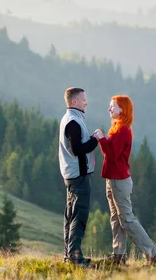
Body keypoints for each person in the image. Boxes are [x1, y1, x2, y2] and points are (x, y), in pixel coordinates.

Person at [93, 95, 156, 267]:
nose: (109, 109)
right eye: (110, 106)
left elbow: (112, 155)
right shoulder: (118, 128)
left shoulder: (123, 130)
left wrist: (101, 138)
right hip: (112, 179)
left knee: (126, 219)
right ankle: (118, 256)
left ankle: (153, 254)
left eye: (113, 106)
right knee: (116, 219)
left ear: (122, 110)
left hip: (119, 181)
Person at [59, 87, 99, 266]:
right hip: (78, 177)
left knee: (70, 215)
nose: (86, 102)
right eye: (84, 99)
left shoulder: (70, 119)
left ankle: (69, 255)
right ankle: (75, 258)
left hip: (72, 175)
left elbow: (76, 144)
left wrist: (89, 139)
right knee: (78, 216)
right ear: (74, 101)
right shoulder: (73, 122)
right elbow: (77, 149)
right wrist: (95, 140)